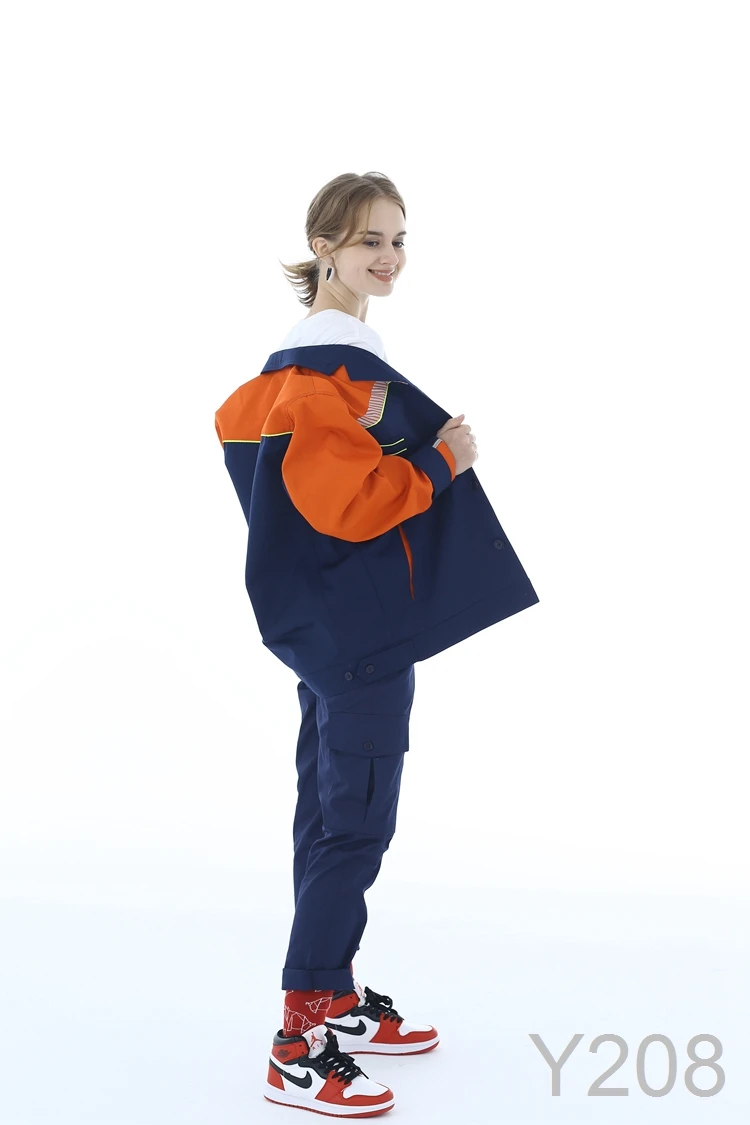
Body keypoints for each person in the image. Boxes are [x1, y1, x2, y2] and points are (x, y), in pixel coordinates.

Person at [214, 171, 539, 1117]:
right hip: (362, 642)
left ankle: (334, 989)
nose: (390, 257)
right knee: (354, 825)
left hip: (325, 637)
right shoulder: (330, 379)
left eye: (399, 239)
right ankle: (299, 1037)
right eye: (369, 241)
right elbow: (349, 508)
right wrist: (441, 460)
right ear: (323, 247)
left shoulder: (274, 384)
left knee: (325, 815)